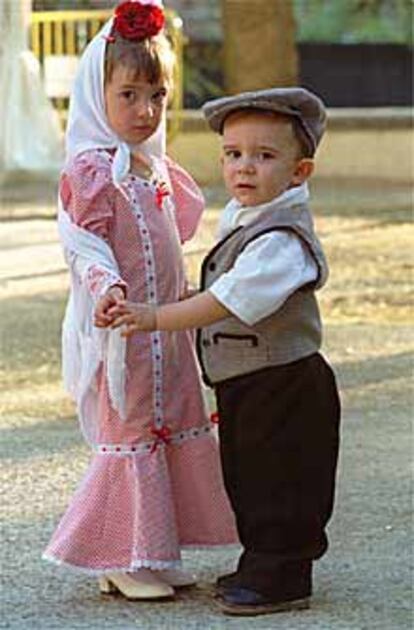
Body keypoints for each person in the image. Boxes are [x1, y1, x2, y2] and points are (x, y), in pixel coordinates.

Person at [105, 87, 341, 616]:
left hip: (285, 382)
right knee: (248, 475)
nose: (244, 167)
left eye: (264, 156)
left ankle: (284, 575)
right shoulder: (245, 218)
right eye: (233, 154)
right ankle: (261, 560)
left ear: (300, 172)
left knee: (283, 479)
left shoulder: (281, 240)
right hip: (248, 382)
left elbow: (228, 300)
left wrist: (156, 316)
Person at [43, 0, 237, 601]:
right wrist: (108, 289)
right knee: (130, 430)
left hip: (166, 330)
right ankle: (119, 554)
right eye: (128, 95)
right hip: (122, 327)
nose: (144, 109)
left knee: (169, 421)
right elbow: (84, 246)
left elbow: (172, 236)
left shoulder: (152, 167)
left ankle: (153, 548)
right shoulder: (91, 169)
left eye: (156, 95)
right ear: (97, 92)